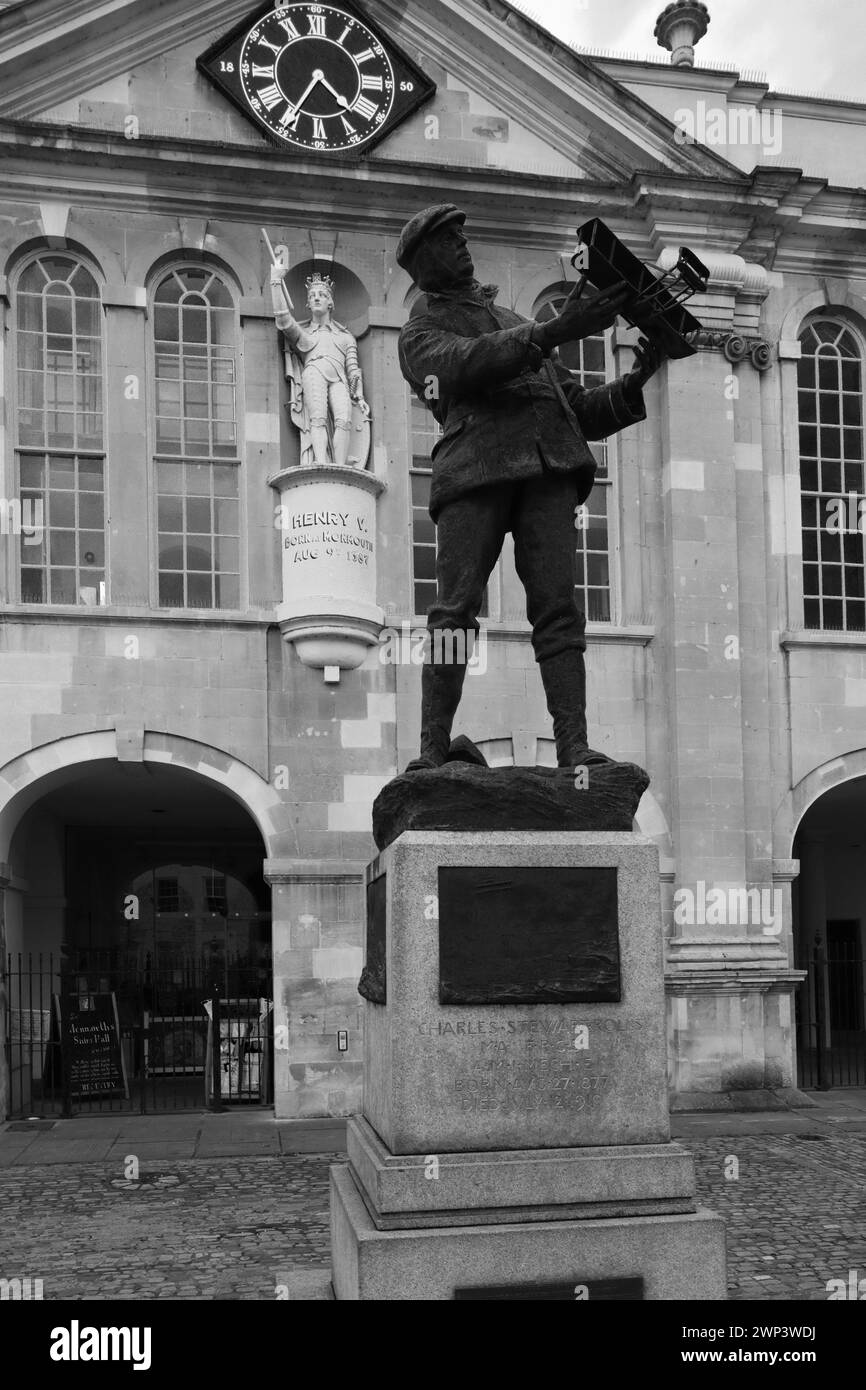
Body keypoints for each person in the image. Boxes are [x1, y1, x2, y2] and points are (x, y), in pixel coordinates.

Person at [396, 203, 667, 772]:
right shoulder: (422, 330)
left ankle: (574, 747)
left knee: (559, 612)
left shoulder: (509, 316)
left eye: (462, 236)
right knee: (453, 612)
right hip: (476, 468)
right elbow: (464, 366)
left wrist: (637, 378)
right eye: (448, 241)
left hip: (549, 468)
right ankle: (430, 751)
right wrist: (552, 331)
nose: (462, 247)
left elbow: (577, 410)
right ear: (421, 265)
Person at [270, 266, 369, 468]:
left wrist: (359, 397)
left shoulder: (345, 337)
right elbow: (283, 319)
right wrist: (275, 283)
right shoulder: (306, 334)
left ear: (330, 302)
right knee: (318, 418)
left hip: (339, 378)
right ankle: (321, 463)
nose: (317, 298)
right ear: (307, 303)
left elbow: (353, 370)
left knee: (344, 420)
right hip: (314, 371)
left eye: (322, 295)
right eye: (312, 295)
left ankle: (340, 466)